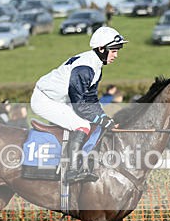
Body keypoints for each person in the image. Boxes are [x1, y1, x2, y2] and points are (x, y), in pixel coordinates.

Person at [30, 26, 126, 183]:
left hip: (58, 100)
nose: (116, 55)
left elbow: (91, 99)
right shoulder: (85, 68)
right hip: (45, 100)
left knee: (94, 122)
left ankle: (82, 163)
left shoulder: (95, 65)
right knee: (82, 125)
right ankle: (72, 171)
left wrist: (104, 117)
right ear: (101, 49)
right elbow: (79, 105)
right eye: (113, 50)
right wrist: (102, 120)